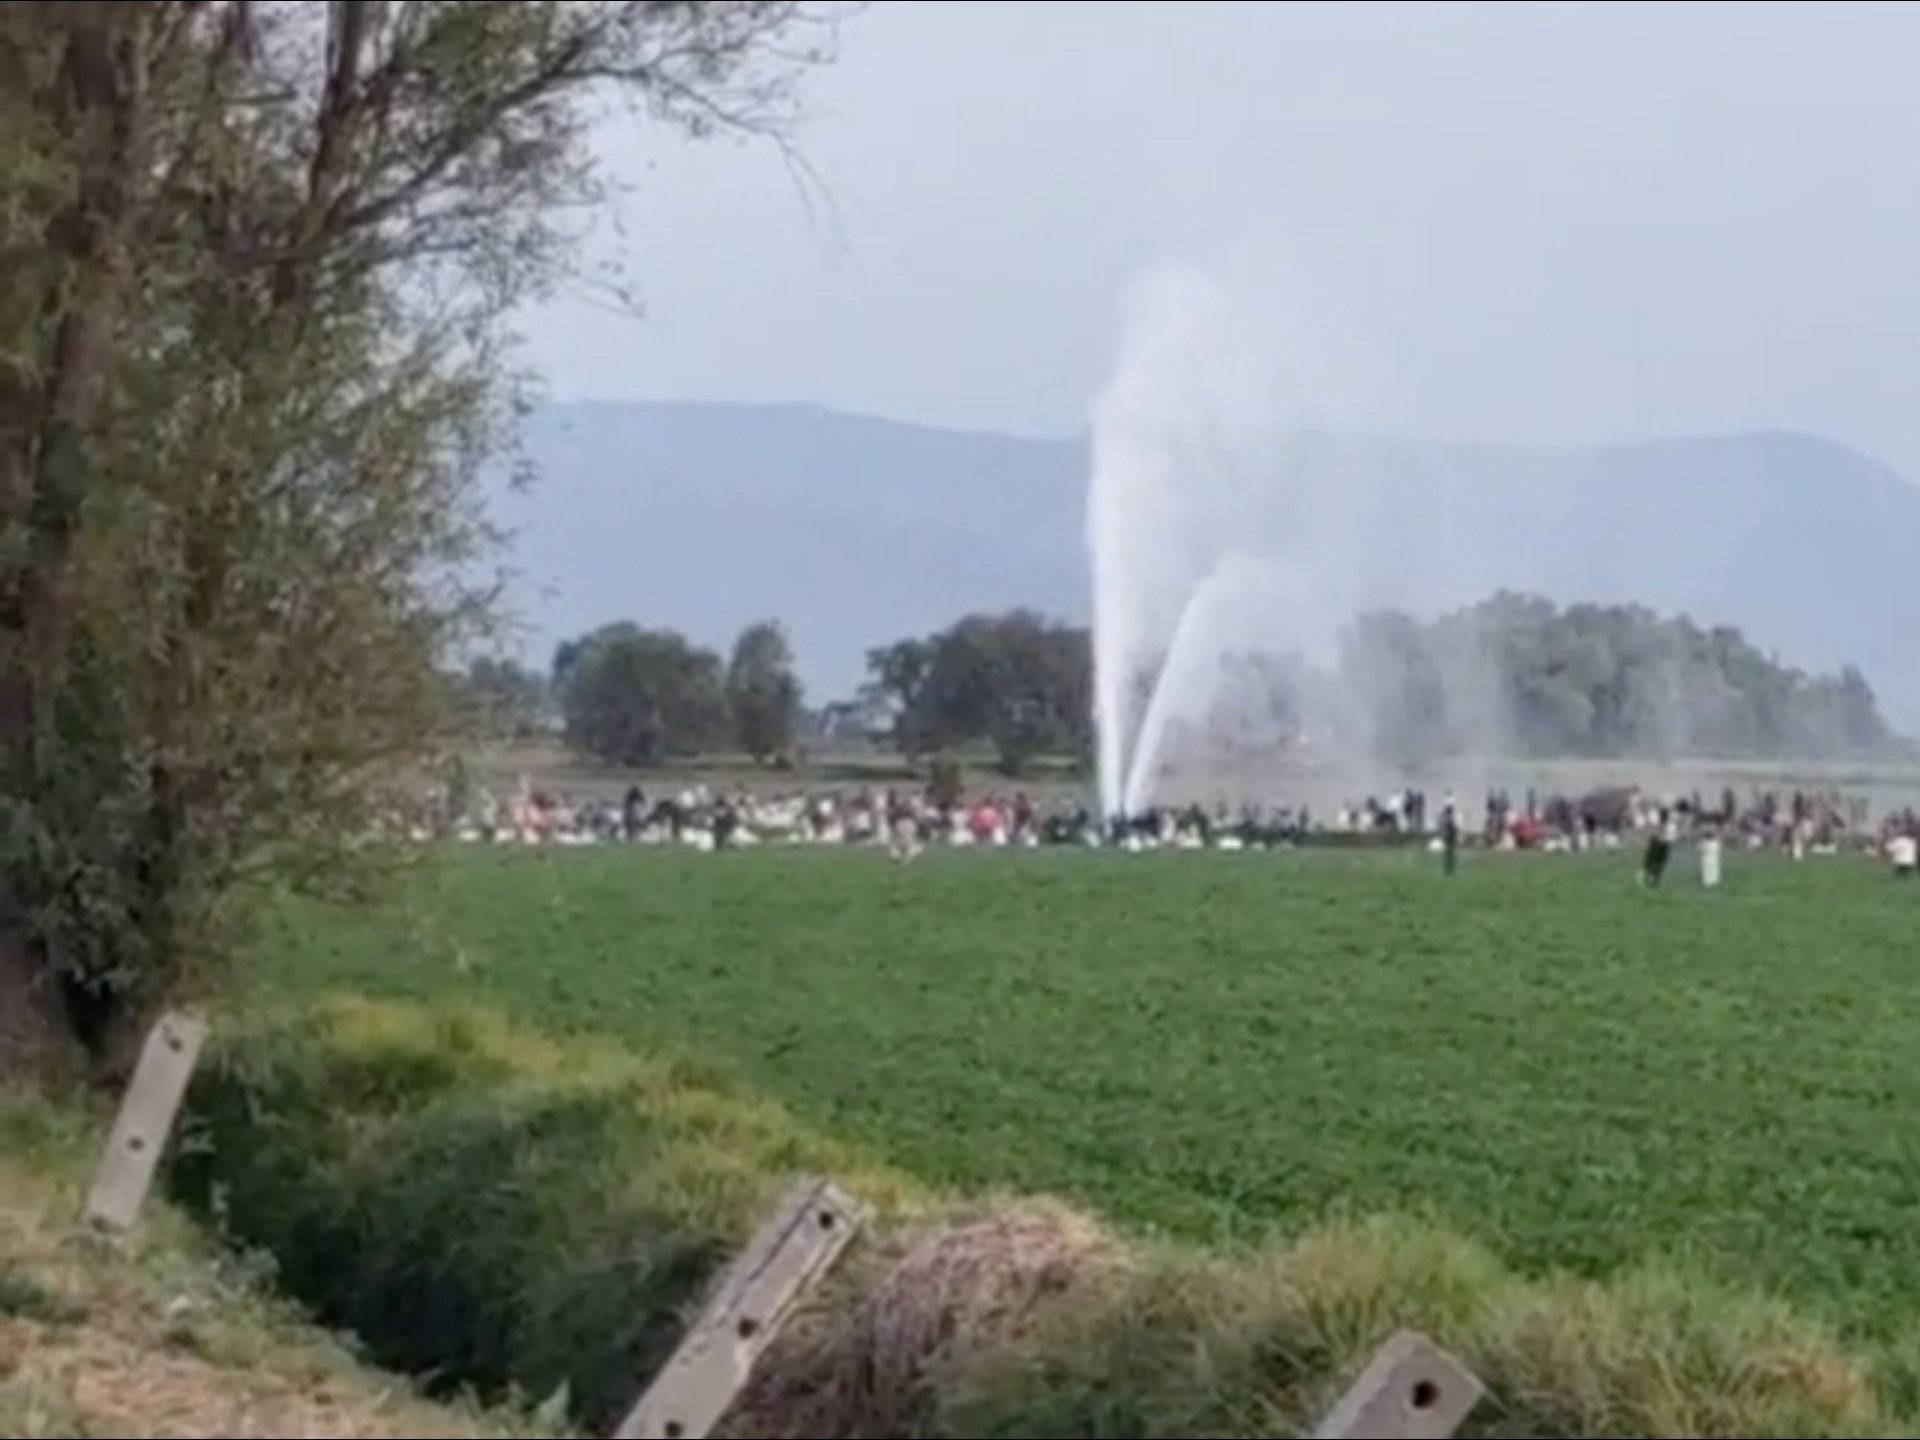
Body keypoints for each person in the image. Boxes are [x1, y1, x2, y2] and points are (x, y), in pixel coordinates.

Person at [1642, 808, 1673, 888]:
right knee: (1659, 864)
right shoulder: (1669, 825)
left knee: (1654, 863)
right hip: (1664, 845)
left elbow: (1654, 835)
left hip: (1658, 845)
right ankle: (1654, 880)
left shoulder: (1660, 825)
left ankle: (1652, 879)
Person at [1439, 792, 1460, 875]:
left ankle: (1449, 866)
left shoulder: (1448, 817)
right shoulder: (1450, 817)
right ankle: (1449, 866)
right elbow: (1452, 827)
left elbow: (1448, 827)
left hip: (1450, 834)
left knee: (1449, 850)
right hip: (1450, 834)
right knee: (1450, 850)